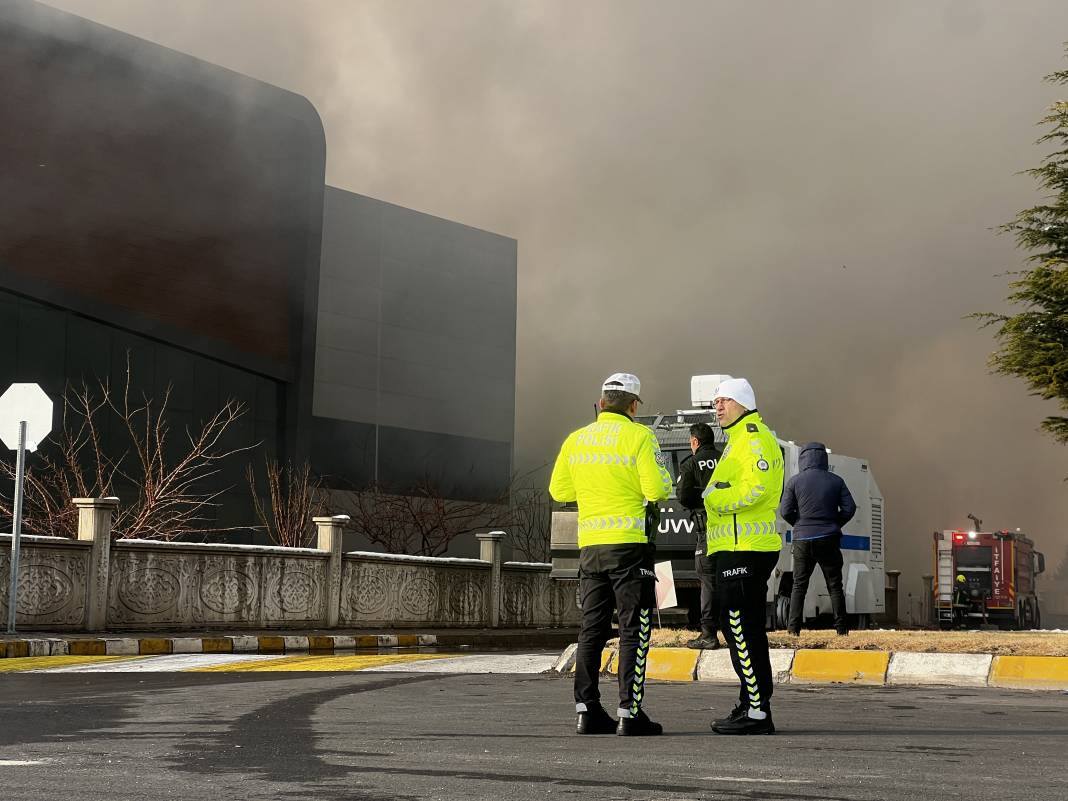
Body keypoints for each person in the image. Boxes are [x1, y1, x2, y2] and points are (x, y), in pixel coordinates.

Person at [549, 372, 673, 736]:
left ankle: (586, 711)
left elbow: (559, 489)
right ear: (634, 405)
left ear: (601, 403)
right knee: (634, 627)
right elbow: (656, 489)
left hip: (590, 547)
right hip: (630, 547)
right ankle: (629, 712)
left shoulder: (576, 440)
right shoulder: (640, 436)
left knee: (592, 628)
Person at [702, 377, 784, 735]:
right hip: (734, 549)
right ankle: (751, 704)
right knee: (741, 627)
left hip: (745, 550)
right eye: (715, 401)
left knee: (738, 626)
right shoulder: (737, 441)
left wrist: (714, 497)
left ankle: (757, 710)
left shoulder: (754, 439)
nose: (717, 407)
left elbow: (759, 489)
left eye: (723, 400)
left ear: (742, 402)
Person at [777, 442, 857, 637]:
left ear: (803, 458)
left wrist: (799, 524)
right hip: (828, 538)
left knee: (799, 585)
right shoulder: (836, 481)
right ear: (823, 458)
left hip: (802, 539)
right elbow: (850, 508)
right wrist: (835, 523)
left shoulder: (794, 481)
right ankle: (841, 630)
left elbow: (785, 510)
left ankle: (793, 629)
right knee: (835, 585)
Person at [676, 422, 723, 649]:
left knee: (707, 581)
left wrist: (701, 501)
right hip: (731, 531)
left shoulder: (691, 464)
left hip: (706, 531)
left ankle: (708, 633)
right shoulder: (726, 459)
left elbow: (684, 497)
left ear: (695, 442)